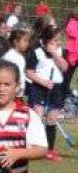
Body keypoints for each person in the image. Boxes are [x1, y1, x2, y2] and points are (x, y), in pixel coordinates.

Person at [25, 25, 68, 160]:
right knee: (37, 117)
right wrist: (43, 82)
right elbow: (29, 72)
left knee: (51, 119)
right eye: (54, 41)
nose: (57, 43)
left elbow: (65, 67)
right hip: (40, 88)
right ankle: (32, 147)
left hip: (56, 88)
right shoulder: (37, 52)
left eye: (58, 40)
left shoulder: (61, 52)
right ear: (46, 40)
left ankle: (49, 149)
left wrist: (55, 53)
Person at [1, 27, 29, 95]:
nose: (27, 43)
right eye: (25, 41)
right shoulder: (9, 56)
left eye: (27, 41)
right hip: (11, 93)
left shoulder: (21, 57)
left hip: (18, 93)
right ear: (16, 42)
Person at [66, 9, 77, 91]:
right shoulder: (72, 23)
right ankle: (66, 91)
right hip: (72, 54)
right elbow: (73, 34)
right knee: (69, 74)